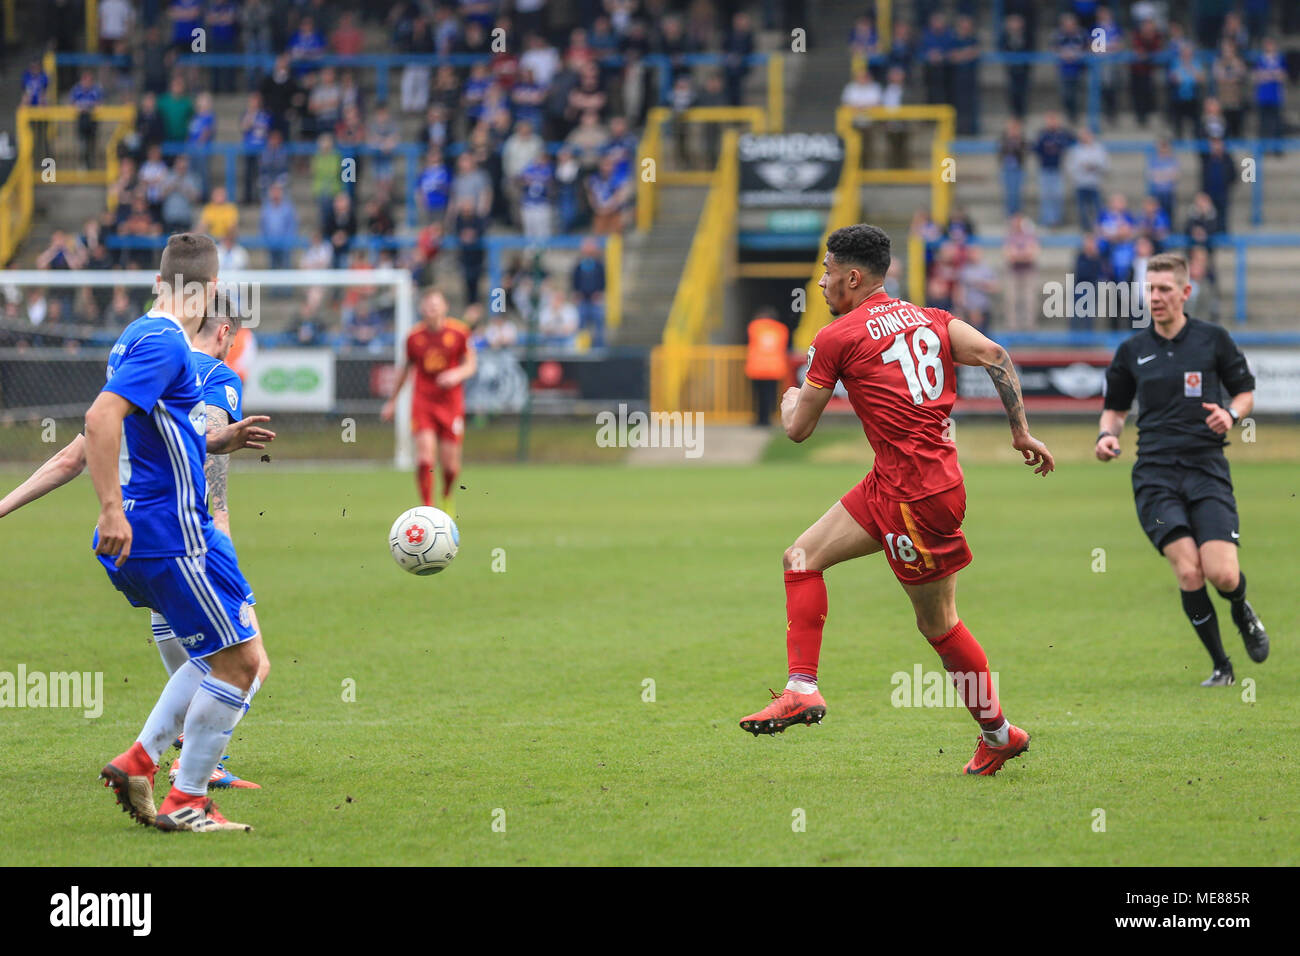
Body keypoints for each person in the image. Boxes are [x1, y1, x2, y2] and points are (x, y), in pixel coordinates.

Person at [739, 224, 1055, 778]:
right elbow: (997, 355)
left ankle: (999, 734)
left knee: (939, 624)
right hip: (899, 478)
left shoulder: (838, 337)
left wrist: (790, 398)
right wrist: (1021, 432)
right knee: (800, 557)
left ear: (853, 277)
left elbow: (797, 431)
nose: (821, 283)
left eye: (827, 272)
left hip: (916, 494)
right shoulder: (932, 319)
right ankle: (801, 687)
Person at [0, 306, 266, 789]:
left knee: (201, 663)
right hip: (183, 541)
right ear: (225, 331)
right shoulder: (215, 375)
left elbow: (71, 456)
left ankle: (165, 759)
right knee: (246, 660)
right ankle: (179, 773)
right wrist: (220, 532)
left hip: (132, 548)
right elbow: (209, 461)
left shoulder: (146, 357)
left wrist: (3, 505)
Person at [86, 234, 275, 830]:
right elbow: (98, 420)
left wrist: (219, 439)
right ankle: (187, 797)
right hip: (175, 533)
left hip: (155, 535)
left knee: (209, 656)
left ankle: (140, 761)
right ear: (209, 289)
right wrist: (110, 507)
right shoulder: (168, 342)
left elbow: (159, 430)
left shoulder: (135, 336)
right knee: (244, 664)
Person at [1097, 252, 1268, 687]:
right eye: (1150, 289)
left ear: (1185, 292)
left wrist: (1230, 414)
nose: (1155, 297)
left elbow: (1245, 392)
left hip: (1206, 468)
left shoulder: (1213, 339)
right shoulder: (1132, 351)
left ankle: (1241, 607)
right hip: (1154, 476)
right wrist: (1107, 436)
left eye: (1164, 289)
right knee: (1189, 571)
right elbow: (1114, 410)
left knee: (1223, 573)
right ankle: (1221, 666)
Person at [381, 289, 478, 515]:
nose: (431, 309)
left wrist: (457, 375)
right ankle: (427, 508)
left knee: (451, 466)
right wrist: (392, 401)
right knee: (425, 458)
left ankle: (446, 495)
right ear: (421, 309)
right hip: (424, 402)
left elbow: (471, 364)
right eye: (427, 305)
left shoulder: (459, 332)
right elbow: (405, 370)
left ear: (445, 307)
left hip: (451, 404)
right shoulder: (414, 337)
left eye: (436, 304)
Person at [745, 310, 788, 426]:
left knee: (758, 396)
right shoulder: (781, 329)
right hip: (775, 368)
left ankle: (759, 419)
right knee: (770, 395)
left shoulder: (754, 326)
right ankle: (768, 419)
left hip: (757, 368)